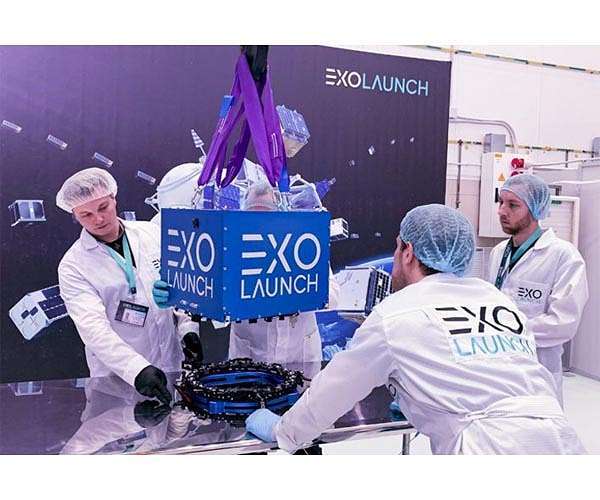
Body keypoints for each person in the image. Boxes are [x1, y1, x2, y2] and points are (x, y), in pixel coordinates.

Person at [245, 204, 585, 454]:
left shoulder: (395, 314)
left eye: (397, 247)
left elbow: (333, 392)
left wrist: (283, 431)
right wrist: (411, 395)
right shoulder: (497, 300)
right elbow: (483, 369)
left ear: (407, 252)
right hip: (561, 441)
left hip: (490, 449)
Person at [57, 168, 202, 406]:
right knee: (123, 426)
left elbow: (178, 287)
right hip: (117, 381)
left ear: (114, 198)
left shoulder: (152, 233)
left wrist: (189, 330)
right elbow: (93, 329)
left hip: (170, 364)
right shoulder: (73, 266)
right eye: (86, 214)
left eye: (103, 207)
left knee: (170, 422)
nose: (98, 219)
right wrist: (136, 369)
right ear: (74, 215)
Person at [488, 174, 589, 405]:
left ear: (535, 209)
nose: (502, 211)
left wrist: (508, 332)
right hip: (498, 366)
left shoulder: (564, 256)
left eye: (513, 205)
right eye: (501, 202)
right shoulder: (499, 252)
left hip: (538, 368)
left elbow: (563, 323)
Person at [228, 182, 340, 364]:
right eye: (253, 217)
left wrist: (296, 290)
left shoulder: (304, 248)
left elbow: (334, 296)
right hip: (250, 359)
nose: (260, 225)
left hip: (300, 358)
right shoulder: (232, 251)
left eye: (267, 216)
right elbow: (218, 305)